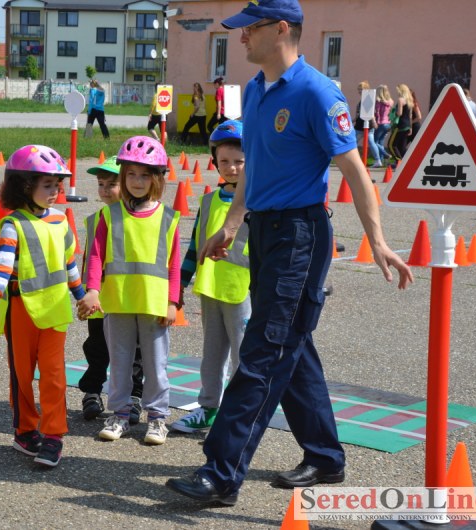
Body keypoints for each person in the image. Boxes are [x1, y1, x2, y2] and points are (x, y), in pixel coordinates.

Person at [165, 0, 412, 506]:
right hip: (265, 231)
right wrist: (232, 224)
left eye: (248, 29)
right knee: (291, 348)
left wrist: (378, 240)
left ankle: (220, 473)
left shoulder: (317, 93)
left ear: (280, 29)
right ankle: (325, 456)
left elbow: (356, 171)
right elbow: (254, 165)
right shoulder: (256, 91)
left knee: (264, 349)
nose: (240, 37)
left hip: (301, 234)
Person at [0, 145, 85, 467]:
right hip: (21, 311)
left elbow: (69, 264)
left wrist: (82, 295)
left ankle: (53, 436)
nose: (55, 192)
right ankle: (25, 430)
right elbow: (2, 266)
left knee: (54, 376)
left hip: (55, 311)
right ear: (24, 186)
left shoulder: (60, 221)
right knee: (22, 375)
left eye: (57, 185)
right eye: (47, 185)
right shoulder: (12, 224)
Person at [78, 136, 181, 446]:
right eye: (131, 174)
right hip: (117, 302)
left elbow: (174, 264)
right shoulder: (109, 215)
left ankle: (158, 418)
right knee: (120, 363)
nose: (137, 181)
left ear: (157, 178)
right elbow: (96, 256)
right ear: (123, 177)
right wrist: (92, 290)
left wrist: (173, 302)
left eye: (145, 175)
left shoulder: (168, 218)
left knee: (156, 365)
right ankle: (120, 414)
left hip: (154, 305)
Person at [172, 120, 251, 434]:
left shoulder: (257, 204)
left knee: (243, 358)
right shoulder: (208, 201)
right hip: (210, 290)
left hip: (243, 292)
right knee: (212, 355)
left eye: (239, 161)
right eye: (224, 161)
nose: (231, 168)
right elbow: (194, 247)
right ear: (215, 161)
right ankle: (208, 408)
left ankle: (240, 413)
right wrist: (179, 284)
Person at [78, 156, 144, 425]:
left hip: (129, 299)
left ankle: (135, 396)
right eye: (101, 184)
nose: (105, 190)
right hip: (101, 297)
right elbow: (90, 258)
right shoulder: (95, 219)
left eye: (112, 184)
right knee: (97, 348)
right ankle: (92, 391)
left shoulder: (137, 219)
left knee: (135, 352)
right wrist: (86, 292)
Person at [354, 80, 381, 167]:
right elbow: (358, 114)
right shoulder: (363, 99)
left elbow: (371, 112)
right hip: (360, 124)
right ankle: (356, 160)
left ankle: (377, 160)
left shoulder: (367, 98)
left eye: (360, 89)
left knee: (354, 142)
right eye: (358, 89)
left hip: (365, 125)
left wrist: (374, 122)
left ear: (365, 89)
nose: (359, 91)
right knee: (356, 142)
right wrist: (352, 120)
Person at [387, 83, 414, 163]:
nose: (397, 92)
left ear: (401, 91)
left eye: (398, 90)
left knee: (391, 145)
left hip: (400, 126)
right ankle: (405, 162)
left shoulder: (400, 100)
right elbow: (410, 116)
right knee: (402, 147)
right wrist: (410, 127)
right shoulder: (409, 101)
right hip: (407, 126)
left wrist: (393, 112)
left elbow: (399, 113)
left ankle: (399, 161)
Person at [374, 84, 395, 161]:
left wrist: (376, 122)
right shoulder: (391, 101)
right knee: (381, 142)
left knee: (374, 142)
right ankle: (381, 159)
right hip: (388, 124)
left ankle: (385, 154)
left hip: (381, 123)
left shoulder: (379, 101)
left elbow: (377, 113)